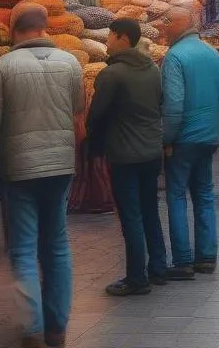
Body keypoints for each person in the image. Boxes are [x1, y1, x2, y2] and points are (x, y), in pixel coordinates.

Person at [0, 3, 84, 348]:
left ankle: (31, 330)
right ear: (44, 29)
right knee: (56, 245)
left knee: (24, 250)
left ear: (14, 31)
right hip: (60, 165)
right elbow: (76, 114)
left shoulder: (4, 66)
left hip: (19, 170)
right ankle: (57, 328)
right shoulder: (71, 62)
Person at [86, 17, 168, 296]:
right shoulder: (152, 70)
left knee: (131, 215)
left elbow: (96, 115)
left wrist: (94, 146)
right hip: (151, 152)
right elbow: (159, 104)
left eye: (109, 35)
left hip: (124, 154)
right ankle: (158, 267)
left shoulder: (112, 74)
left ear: (121, 38)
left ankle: (136, 277)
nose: (106, 41)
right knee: (149, 210)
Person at [160, 6, 219, 276]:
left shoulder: (174, 57)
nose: (164, 28)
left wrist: (167, 138)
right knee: (204, 194)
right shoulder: (212, 53)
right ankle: (207, 256)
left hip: (184, 138)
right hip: (209, 135)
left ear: (177, 25)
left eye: (167, 23)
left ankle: (183, 260)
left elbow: (174, 105)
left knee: (176, 195)